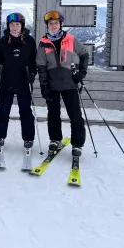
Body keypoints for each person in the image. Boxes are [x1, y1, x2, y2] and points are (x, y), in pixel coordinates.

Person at [36, 10, 89, 157]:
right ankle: (55, 140)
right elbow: (41, 67)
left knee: (75, 116)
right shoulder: (43, 43)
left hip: (70, 84)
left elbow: (84, 54)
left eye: (56, 23)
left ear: (60, 24)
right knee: (53, 115)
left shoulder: (71, 39)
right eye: (51, 23)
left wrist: (81, 73)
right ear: (47, 26)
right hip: (52, 85)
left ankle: (77, 144)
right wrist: (44, 86)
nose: (53, 26)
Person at [0, 12, 37, 149]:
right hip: (7, 80)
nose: (14, 27)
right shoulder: (3, 41)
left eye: (17, 24)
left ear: (22, 25)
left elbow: (33, 61)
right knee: (3, 110)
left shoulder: (29, 41)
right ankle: (0, 135)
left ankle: (28, 138)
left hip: (24, 80)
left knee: (25, 111)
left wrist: (32, 73)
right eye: (11, 25)